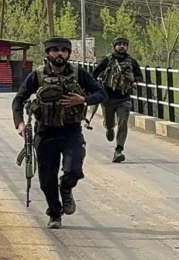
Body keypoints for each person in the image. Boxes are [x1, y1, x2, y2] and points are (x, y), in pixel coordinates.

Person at [12, 37, 107, 229]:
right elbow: (19, 100)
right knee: (47, 180)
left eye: (64, 50)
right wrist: (20, 125)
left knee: (73, 170)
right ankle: (55, 214)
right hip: (45, 132)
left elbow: (102, 94)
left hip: (71, 131)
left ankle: (66, 188)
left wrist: (83, 99)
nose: (59, 54)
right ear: (48, 53)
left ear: (68, 54)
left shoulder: (79, 74)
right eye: (55, 50)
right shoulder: (37, 75)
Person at [91, 37, 142, 162]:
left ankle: (118, 150)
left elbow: (140, 77)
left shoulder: (132, 62)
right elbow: (94, 74)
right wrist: (96, 89)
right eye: (119, 44)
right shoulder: (107, 60)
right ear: (114, 46)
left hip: (124, 98)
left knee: (123, 123)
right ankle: (109, 128)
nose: (122, 46)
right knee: (110, 123)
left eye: (124, 44)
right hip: (107, 98)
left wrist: (133, 78)